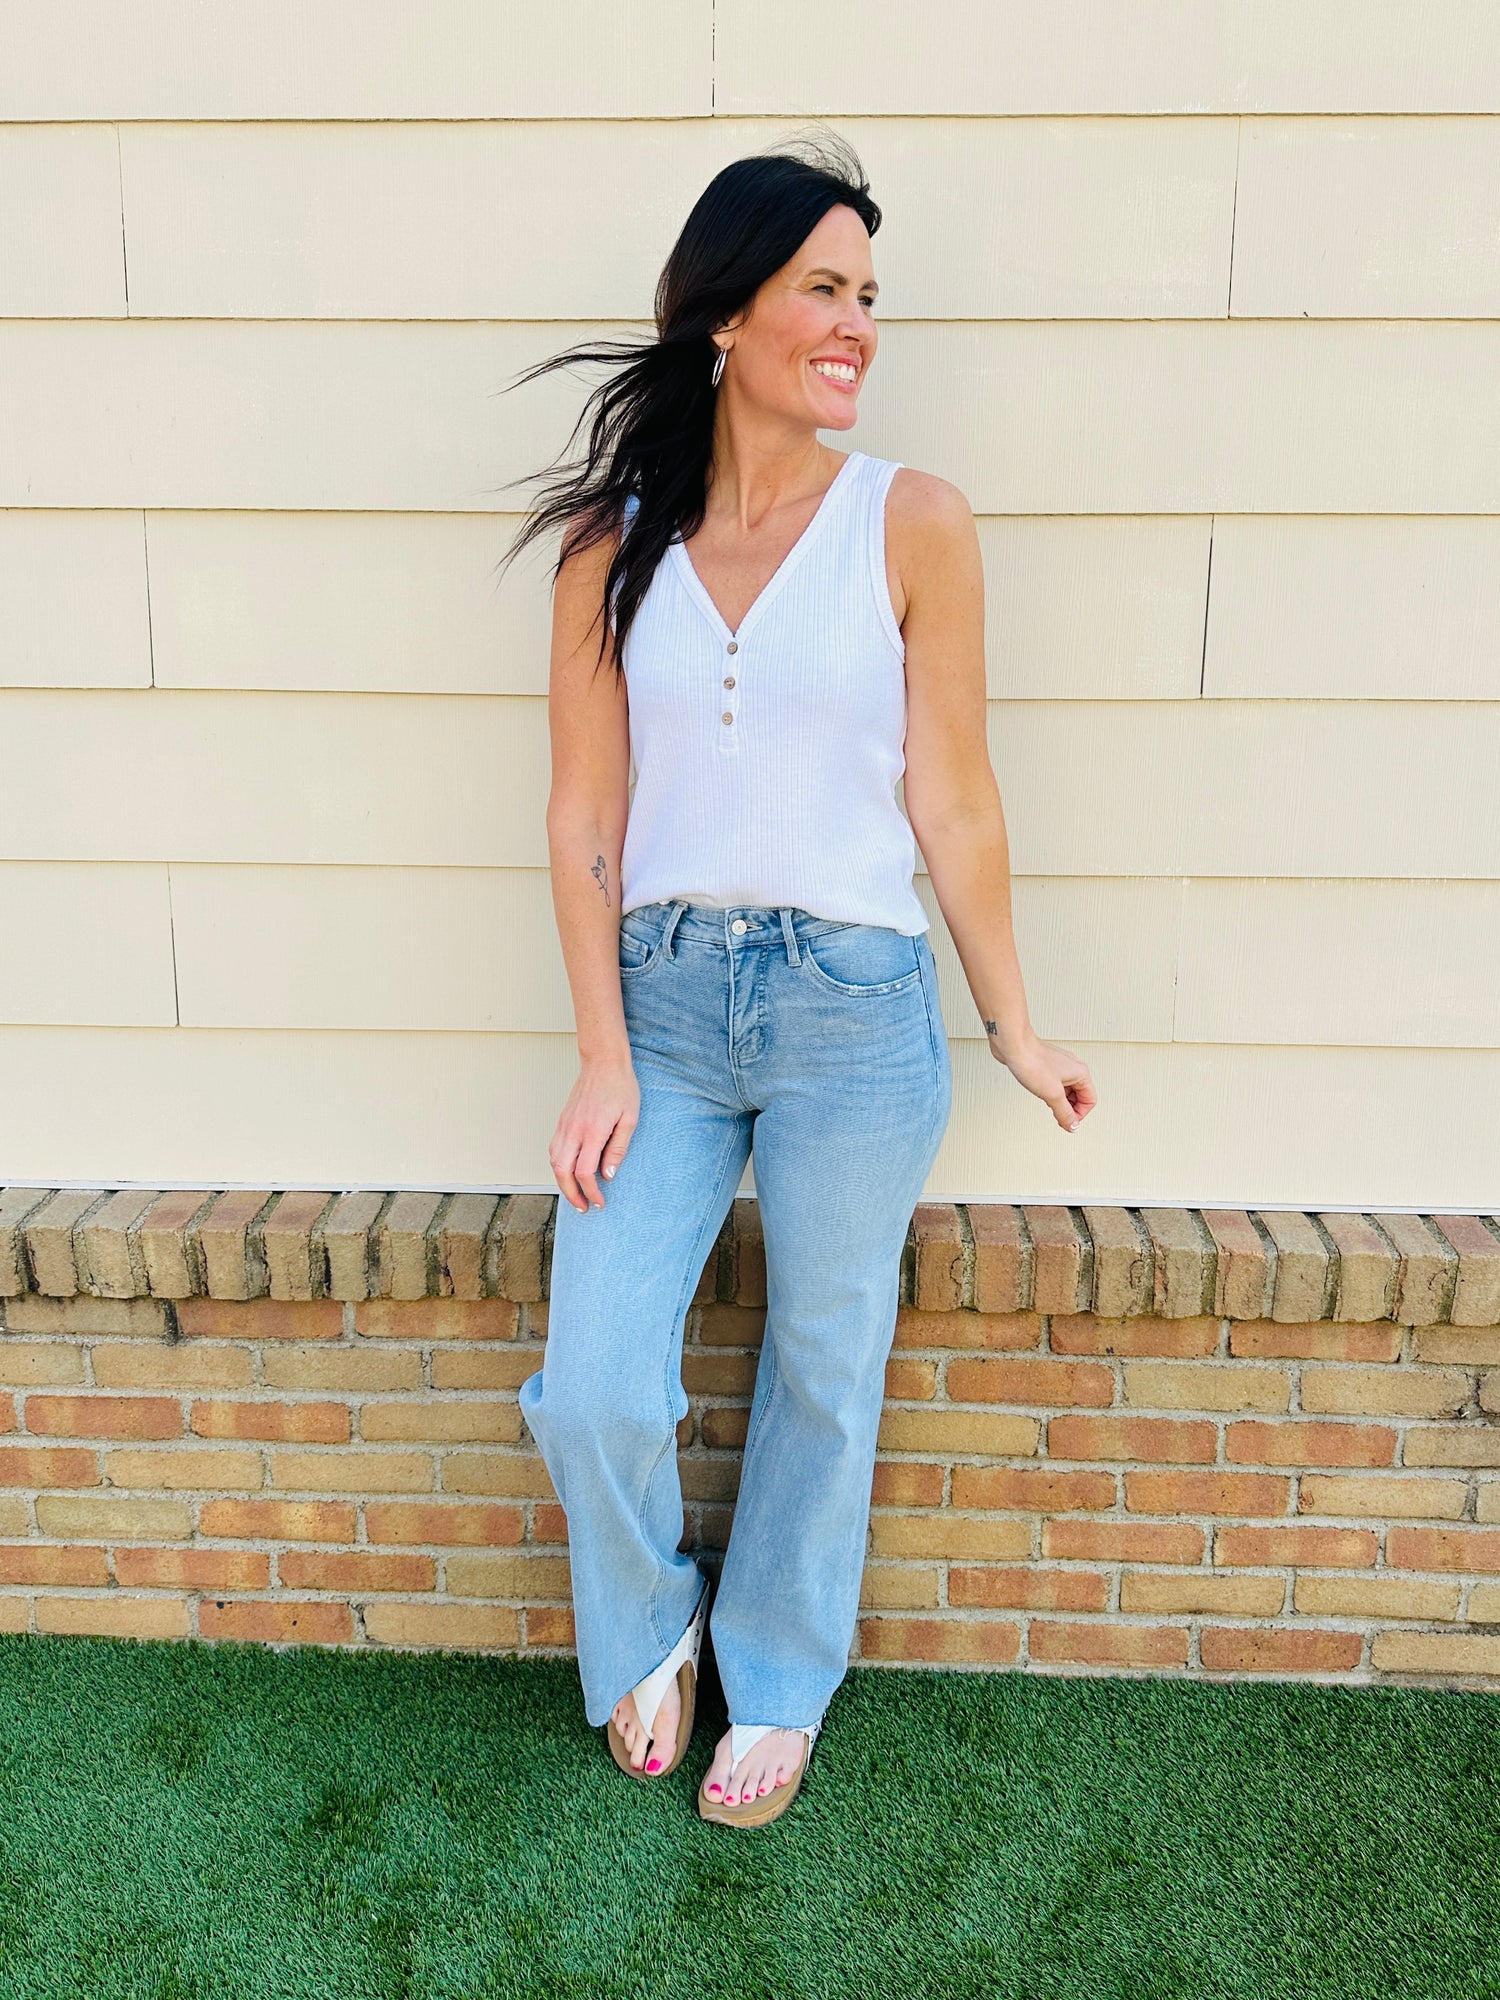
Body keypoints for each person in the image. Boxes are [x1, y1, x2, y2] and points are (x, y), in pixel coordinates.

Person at [499, 134, 1096, 1828]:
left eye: (867, 296)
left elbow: (955, 800)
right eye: (823, 289)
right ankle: (646, 1627)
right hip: (665, 1009)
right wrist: (603, 1052)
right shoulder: (613, 546)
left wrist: (1012, 1020)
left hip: (856, 1011)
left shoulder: (915, 523)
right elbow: (583, 817)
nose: (856, 326)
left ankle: (777, 1672)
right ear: (725, 315)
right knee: (597, 1378)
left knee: (825, 1367)